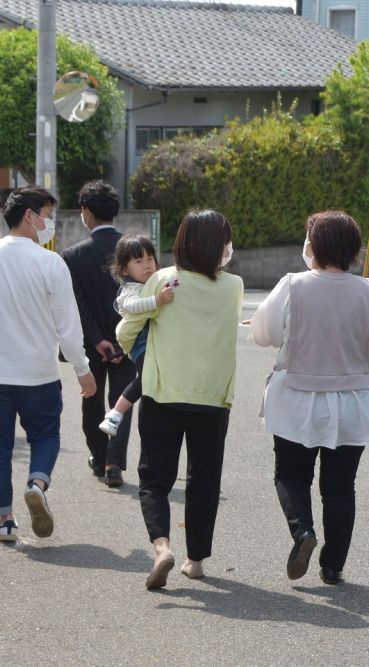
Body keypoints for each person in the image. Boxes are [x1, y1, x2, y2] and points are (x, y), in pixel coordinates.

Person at [249, 210, 369, 586]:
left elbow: (263, 332)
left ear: (313, 245)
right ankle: (333, 565)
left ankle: (303, 532)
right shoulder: (368, 290)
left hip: (297, 398)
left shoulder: (293, 285)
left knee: (291, 475)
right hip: (352, 401)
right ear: (354, 251)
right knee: (341, 488)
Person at [117, 210, 243, 590]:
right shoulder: (234, 286)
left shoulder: (164, 279)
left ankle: (162, 547)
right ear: (219, 246)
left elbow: (126, 330)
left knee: (154, 477)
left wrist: (144, 356)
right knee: (204, 479)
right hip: (213, 397)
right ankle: (195, 561)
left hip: (162, 392)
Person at [0, 186, 96, 543]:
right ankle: (37, 483)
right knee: (45, 435)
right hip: (37, 371)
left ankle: (5, 521)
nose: (50, 223)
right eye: (48, 215)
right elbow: (68, 325)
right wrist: (83, 369)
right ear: (30, 216)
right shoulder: (49, 262)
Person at [61, 180, 136, 487]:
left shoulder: (73, 255)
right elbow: (142, 295)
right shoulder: (135, 249)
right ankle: (114, 463)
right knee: (122, 400)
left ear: (87, 212)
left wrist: (97, 340)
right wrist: (119, 340)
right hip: (128, 341)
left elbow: (76, 304)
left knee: (91, 399)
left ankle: (98, 454)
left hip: (91, 346)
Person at [98, 235, 174, 437]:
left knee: (151, 378)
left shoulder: (153, 282)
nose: (147, 265)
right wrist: (157, 300)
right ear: (124, 269)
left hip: (153, 340)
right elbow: (133, 307)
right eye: (138, 261)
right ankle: (115, 414)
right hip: (140, 343)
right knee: (145, 379)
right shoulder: (130, 289)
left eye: (150, 259)